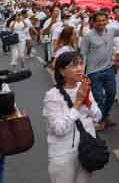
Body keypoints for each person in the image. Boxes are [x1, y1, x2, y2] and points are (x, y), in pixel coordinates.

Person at [43, 51, 102, 183]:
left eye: (81, 64)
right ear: (62, 71)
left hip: (87, 150)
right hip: (63, 155)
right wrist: (77, 103)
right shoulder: (52, 96)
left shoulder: (84, 88)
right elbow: (59, 129)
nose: (80, 68)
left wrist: (87, 101)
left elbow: (98, 117)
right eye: (74, 65)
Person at [79, 11, 119, 131]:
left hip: (108, 69)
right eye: (99, 21)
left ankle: (104, 115)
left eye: (104, 20)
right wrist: (82, 73)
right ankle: (102, 120)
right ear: (93, 22)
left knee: (112, 94)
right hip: (93, 72)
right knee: (98, 97)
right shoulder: (88, 36)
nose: (102, 23)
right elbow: (83, 55)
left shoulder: (112, 31)